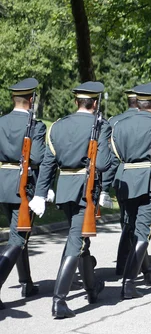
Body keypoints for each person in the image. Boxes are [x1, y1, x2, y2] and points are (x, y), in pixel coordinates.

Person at [35, 82, 112, 318]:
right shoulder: (100, 126)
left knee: (81, 240)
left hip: (66, 190)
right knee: (76, 241)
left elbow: (48, 163)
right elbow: (102, 163)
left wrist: (40, 192)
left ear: (76, 101)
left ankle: (92, 288)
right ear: (95, 103)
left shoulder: (57, 126)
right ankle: (59, 301)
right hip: (85, 190)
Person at [111, 82, 151, 299]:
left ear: (137, 102)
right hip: (147, 181)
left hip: (125, 180)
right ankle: (129, 283)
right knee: (143, 233)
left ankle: (146, 270)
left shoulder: (119, 124)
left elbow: (114, 155)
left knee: (130, 227)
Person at [0, 78, 46, 310]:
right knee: (18, 239)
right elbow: (37, 158)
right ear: (31, 99)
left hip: (3, 185)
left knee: (21, 236)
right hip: (22, 187)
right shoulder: (35, 126)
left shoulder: (1, 122)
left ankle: (26, 282)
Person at [102, 88, 139, 276]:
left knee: (126, 220)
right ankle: (131, 260)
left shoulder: (113, 122)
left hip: (120, 177)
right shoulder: (148, 122)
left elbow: (110, 158)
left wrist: (105, 186)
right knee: (138, 222)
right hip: (140, 178)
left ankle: (126, 261)